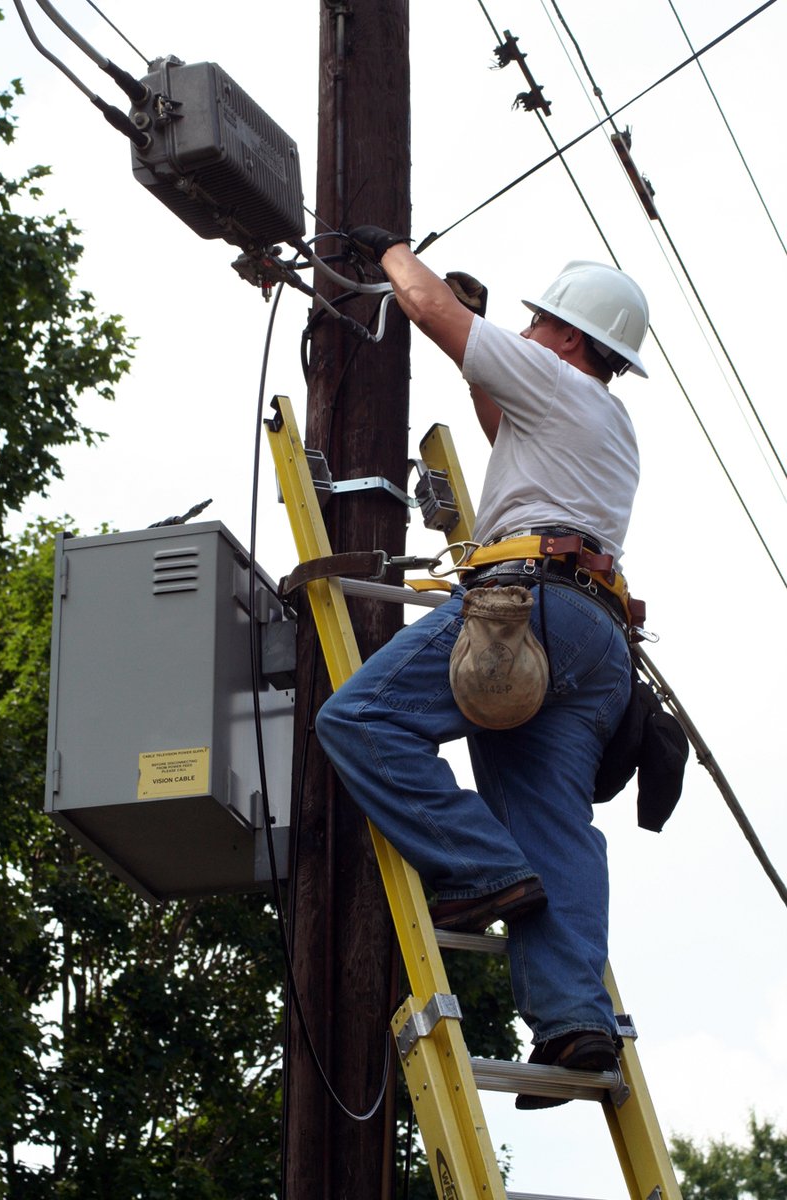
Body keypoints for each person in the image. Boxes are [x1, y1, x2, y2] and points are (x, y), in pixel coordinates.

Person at [314, 226, 650, 1104]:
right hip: (597, 643)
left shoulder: (558, 376)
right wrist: (481, 338)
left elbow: (423, 305)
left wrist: (389, 249)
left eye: (539, 323)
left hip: (526, 604)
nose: (530, 333)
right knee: (555, 831)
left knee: (359, 719)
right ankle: (575, 1019)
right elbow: (498, 411)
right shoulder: (605, 420)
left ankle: (476, 865)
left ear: (571, 339)